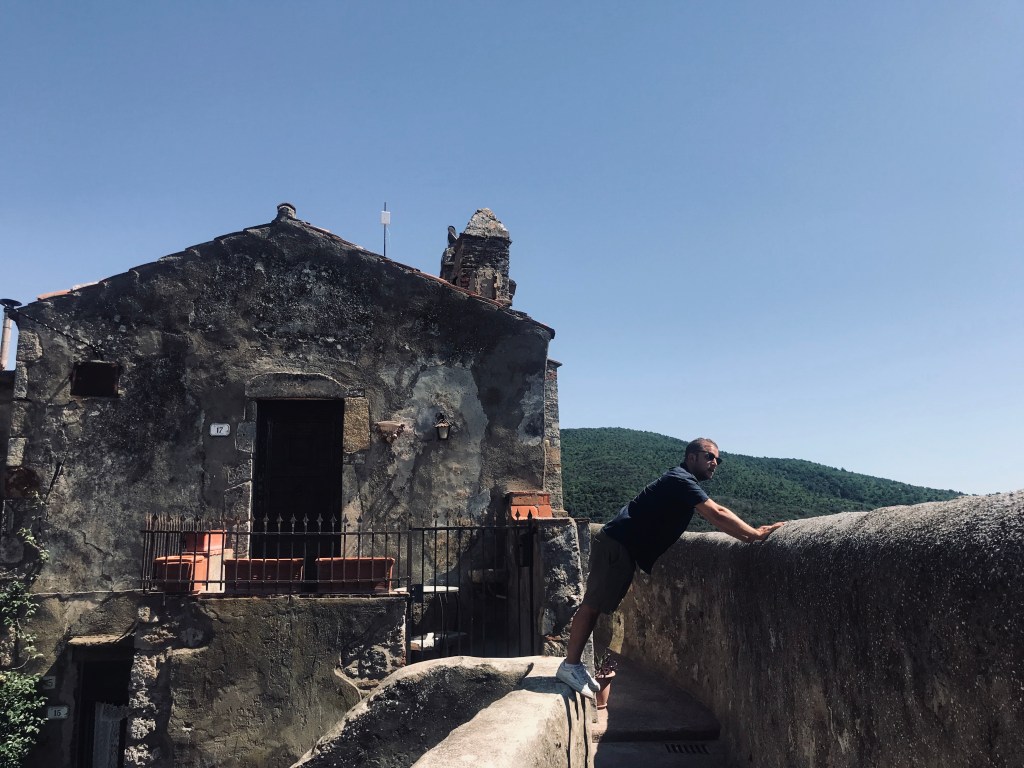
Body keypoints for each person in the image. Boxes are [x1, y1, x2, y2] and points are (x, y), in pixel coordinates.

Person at [555, 437, 785, 697]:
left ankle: (573, 664)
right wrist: (753, 535)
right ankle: (570, 665)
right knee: (593, 605)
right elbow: (716, 513)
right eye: (709, 456)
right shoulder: (680, 480)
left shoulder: (681, 481)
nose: (715, 463)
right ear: (691, 457)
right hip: (617, 545)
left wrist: (750, 534)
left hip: (620, 546)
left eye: (718, 459)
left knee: (597, 606)